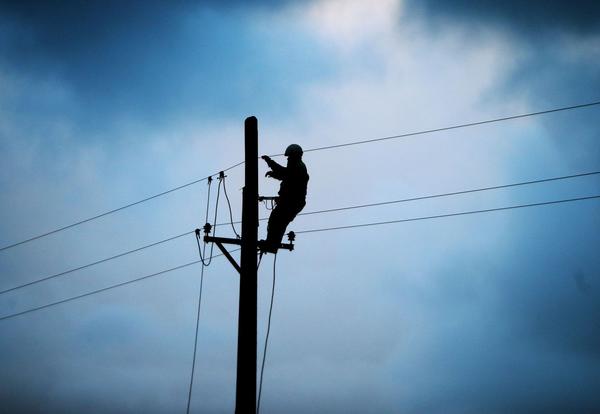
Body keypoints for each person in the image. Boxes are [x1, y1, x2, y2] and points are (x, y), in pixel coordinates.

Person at [261, 144, 309, 253]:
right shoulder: (297, 167)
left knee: (276, 220)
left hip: (292, 202)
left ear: (295, 156)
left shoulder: (298, 167)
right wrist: (273, 173)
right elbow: (285, 175)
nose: (288, 159)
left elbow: (284, 173)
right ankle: (272, 243)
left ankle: (272, 244)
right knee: (279, 221)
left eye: (289, 156)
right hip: (292, 202)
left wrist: (269, 162)